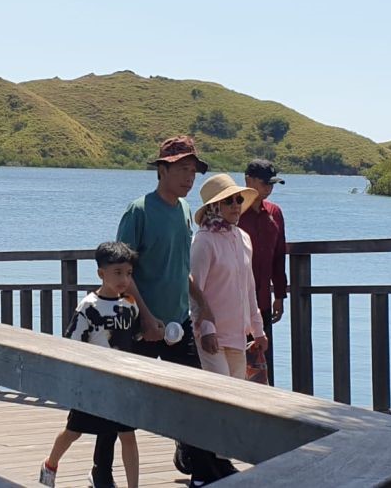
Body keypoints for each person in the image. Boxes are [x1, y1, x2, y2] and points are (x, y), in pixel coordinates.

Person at [93, 135, 235, 488]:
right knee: (120, 401)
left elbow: (180, 266)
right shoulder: (139, 211)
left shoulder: (185, 211)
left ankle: (203, 470)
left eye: (194, 171)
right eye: (183, 170)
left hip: (177, 322)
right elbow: (120, 271)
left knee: (194, 395)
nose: (190, 178)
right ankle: (102, 471)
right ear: (162, 170)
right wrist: (145, 316)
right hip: (139, 325)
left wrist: (201, 303)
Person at [39, 242, 140, 488]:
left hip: (122, 384)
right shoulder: (88, 307)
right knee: (74, 430)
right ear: (101, 273)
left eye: (128, 273)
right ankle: (50, 463)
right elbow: (72, 344)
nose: (124, 279)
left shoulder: (130, 304)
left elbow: (134, 337)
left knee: (128, 435)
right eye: (117, 273)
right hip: (93, 385)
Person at [191, 173, 268, 378]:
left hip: (238, 335)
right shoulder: (203, 241)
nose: (236, 205)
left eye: (239, 199)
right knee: (221, 394)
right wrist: (207, 330)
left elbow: (249, 288)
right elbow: (194, 289)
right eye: (228, 201)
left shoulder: (243, 237)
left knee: (238, 395)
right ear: (214, 206)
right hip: (212, 335)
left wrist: (258, 330)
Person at [238, 159, 287, 385]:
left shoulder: (275, 212)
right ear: (248, 180)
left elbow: (279, 256)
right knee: (236, 365)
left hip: (263, 304)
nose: (269, 188)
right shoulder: (234, 210)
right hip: (235, 304)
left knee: (260, 363)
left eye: (272, 184)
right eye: (265, 183)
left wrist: (280, 295)